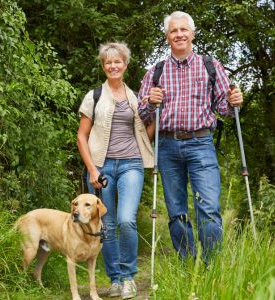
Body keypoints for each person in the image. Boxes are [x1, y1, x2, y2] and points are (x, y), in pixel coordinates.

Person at [138, 11, 243, 262]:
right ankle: (187, 265)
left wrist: (234, 101)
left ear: (192, 34)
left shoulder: (210, 66)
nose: (179, 34)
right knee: (176, 212)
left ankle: (210, 267)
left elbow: (226, 109)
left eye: (183, 30)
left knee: (208, 209)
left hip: (201, 143)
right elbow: (141, 113)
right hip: (166, 145)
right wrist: (151, 103)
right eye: (173, 31)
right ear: (167, 37)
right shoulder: (156, 71)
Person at [77, 42, 154, 299]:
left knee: (125, 220)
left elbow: (145, 134)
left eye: (117, 61)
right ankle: (115, 279)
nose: (113, 66)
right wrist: (91, 170)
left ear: (125, 64)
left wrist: (156, 117)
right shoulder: (94, 96)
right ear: (103, 66)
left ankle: (129, 277)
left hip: (132, 163)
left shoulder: (136, 98)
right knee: (106, 225)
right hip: (102, 166)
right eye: (108, 62)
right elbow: (81, 136)